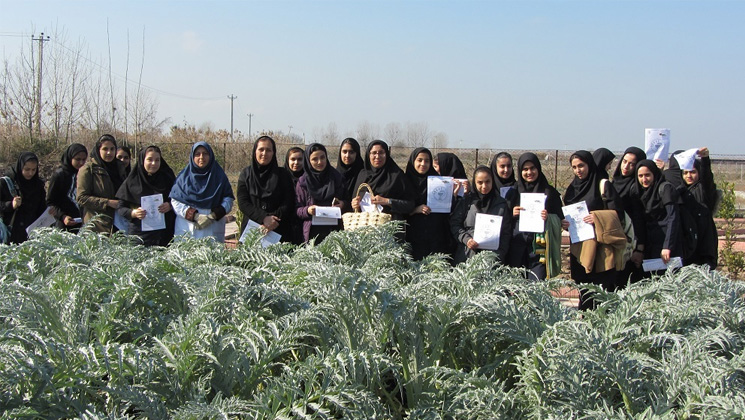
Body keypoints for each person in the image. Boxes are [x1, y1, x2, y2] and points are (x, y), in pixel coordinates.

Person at [563, 150, 625, 310]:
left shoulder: (602, 185)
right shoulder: (572, 189)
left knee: (601, 291)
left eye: (581, 166)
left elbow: (618, 213)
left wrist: (597, 217)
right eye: (574, 167)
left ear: (589, 165)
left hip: (601, 248)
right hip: (580, 246)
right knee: (584, 290)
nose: (578, 170)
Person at [507, 153, 564, 280]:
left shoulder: (549, 192)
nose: (529, 172)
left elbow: (560, 219)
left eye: (533, 168)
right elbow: (502, 217)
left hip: (539, 250)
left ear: (538, 168)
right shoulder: (513, 192)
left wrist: (549, 217)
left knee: (536, 286)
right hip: (517, 248)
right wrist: (511, 213)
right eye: (525, 169)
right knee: (516, 289)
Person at [664, 148, 718, 268]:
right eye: (685, 173)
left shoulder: (703, 190)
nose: (689, 176)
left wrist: (705, 160)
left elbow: (707, 179)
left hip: (703, 244)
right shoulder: (680, 192)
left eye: (693, 172)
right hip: (686, 244)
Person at [170, 141, 234, 242]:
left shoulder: (219, 176)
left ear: (210, 155)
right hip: (188, 228)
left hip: (212, 228)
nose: (201, 157)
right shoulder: (183, 177)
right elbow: (175, 201)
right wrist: (194, 215)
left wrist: (212, 216)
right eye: (197, 154)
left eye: (205, 153)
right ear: (192, 156)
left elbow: (228, 200)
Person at [236, 135, 295, 242]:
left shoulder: (283, 175)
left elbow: (288, 201)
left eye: (268, 150)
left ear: (273, 153)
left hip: (278, 229)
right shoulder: (246, 174)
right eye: (261, 149)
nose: (264, 153)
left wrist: (272, 221)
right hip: (252, 229)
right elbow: (243, 202)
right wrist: (263, 218)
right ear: (255, 152)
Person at [116, 145, 176, 246]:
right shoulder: (132, 182)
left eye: (157, 160)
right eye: (149, 160)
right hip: (139, 236)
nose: (154, 163)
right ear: (142, 160)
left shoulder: (168, 179)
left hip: (164, 236)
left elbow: (178, 200)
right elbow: (120, 208)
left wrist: (170, 205)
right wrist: (133, 213)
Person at [450, 165, 511, 264]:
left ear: (493, 181)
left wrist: (499, 254)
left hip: (492, 259)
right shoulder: (466, 201)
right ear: (475, 182)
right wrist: (467, 239)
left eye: (487, 182)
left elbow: (506, 233)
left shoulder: (501, 204)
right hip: (467, 257)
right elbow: (455, 224)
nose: (484, 186)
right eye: (480, 182)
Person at [405, 147, 452, 260]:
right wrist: (415, 210)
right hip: (413, 234)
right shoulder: (404, 181)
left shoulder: (439, 182)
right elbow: (399, 208)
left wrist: (452, 194)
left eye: (427, 161)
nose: (423, 164)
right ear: (413, 161)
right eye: (419, 160)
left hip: (435, 234)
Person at [352, 140, 414, 225]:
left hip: (390, 230)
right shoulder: (363, 175)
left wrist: (387, 201)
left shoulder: (396, 176)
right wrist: (355, 204)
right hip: (365, 229)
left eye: (381, 153)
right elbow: (356, 199)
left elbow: (409, 205)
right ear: (368, 155)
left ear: (387, 154)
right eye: (374, 153)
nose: (377, 156)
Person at [635, 159, 683, 270]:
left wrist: (667, 246)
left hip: (666, 244)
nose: (644, 179)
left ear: (654, 174)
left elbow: (673, 217)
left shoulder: (665, 188)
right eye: (640, 176)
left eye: (647, 175)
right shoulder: (640, 192)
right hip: (650, 244)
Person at [610, 146, 648, 285]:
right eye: (625, 161)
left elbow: (639, 218)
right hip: (618, 241)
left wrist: (639, 248)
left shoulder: (636, 187)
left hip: (632, 243)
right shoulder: (615, 182)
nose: (626, 166)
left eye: (632, 164)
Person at [294, 143, 344, 243]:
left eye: (322, 157)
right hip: (312, 233)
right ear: (308, 161)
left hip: (334, 231)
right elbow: (297, 209)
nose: (320, 162)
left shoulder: (337, 178)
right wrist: (308, 210)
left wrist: (343, 204)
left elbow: (347, 200)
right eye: (314, 159)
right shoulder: (303, 182)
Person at [77, 134, 127, 234]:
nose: (109, 152)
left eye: (112, 149)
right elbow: (81, 198)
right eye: (105, 149)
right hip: (97, 225)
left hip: (119, 222)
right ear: (98, 150)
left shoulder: (120, 167)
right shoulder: (88, 170)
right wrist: (107, 202)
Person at [1, 152, 47, 244]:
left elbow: (40, 207)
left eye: (34, 170)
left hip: (32, 234)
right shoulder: (6, 183)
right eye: (27, 169)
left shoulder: (38, 185)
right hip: (11, 234)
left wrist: (48, 212)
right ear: (20, 166)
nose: (30, 173)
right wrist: (10, 205)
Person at [46, 143, 88, 232]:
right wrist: (63, 216)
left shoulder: (86, 174)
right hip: (64, 225)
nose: (81, 163)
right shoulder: (60, 175)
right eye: (78, 159)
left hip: (83, 223)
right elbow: (50, 202)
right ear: (70, 158)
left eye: (84, 160)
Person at [336, 137, 364, 211]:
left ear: (357, 154)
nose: (347, 155)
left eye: (351, 152)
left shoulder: (364, 173)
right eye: (344, 152)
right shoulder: (334, 174)